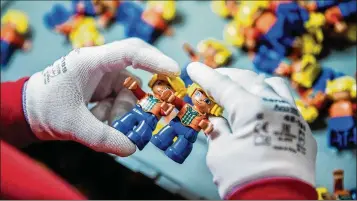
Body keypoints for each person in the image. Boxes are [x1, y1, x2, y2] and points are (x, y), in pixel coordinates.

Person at [0, 38, 318, 200]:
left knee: (172, 140)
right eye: (161, 87)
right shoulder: (156, 97)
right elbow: (146, 101)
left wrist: (21, 105)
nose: (166, 91)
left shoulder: (183, 103)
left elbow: (184, 112)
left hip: (178, 126)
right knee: (132, 126)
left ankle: (170, 147)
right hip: (144, 115)